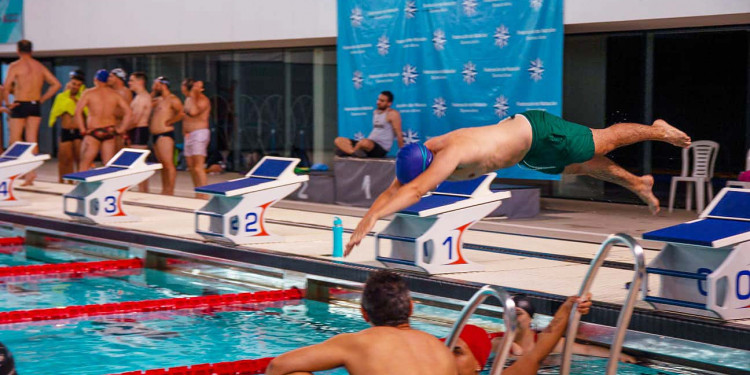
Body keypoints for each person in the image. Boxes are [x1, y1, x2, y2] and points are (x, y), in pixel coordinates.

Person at [345, 111, 692, 254]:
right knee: (581, 167)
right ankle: (637, 183)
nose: (425, 182)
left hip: (536, 131)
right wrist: (367, 216)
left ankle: (656, 130)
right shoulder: (418, 157)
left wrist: (376, 218)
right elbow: (398, 188)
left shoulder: (448, 154)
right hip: (526, 153)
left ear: (429, 165)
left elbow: (417, 190)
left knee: (601, 142)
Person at [265, 270, 458, 375]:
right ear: (411, 308)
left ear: (364, 313)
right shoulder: (439, 348)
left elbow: (277, 366)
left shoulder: (359, 343)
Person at [451, 295, 593, 375]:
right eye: (446, 349)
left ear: (477, 365)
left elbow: (537, 354)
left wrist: (569, 307)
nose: (447, 357)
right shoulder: (498, 341)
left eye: (457, 352)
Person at [507, 295, 636, 363]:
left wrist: (618, 355)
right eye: (507, 314)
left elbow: (587, 350)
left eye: (517, 314)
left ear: (531, 318)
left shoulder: (547, 342)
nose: (511, 318)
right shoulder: (499, 342)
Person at [3, 39, 62, 185]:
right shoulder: (39, 67)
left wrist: (8, 103)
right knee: (32, 140)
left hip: (19, 104)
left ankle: (17, 171)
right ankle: (31, 172)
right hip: (34, 104)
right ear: (31, 50)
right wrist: (42, 99)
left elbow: (6, 86)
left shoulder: (15, 66)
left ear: (18, 50)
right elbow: (56, 84)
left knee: (14, 140)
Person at [74, 69, 132, 171]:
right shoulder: (115, 94)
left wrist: (82, 129)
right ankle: (109, 187)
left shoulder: (88, 93)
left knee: (85, 163)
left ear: (95, 79)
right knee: (108, 165)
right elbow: (129, 112)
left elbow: (78, 112)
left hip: (93, 131)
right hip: (109, 130)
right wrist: (121, 129)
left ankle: (83, 186)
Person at [334, 91, 403, 158]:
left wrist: (403, 154)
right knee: (338, 140)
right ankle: (353, 152)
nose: (378, 102)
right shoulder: (375, 112)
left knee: (364, 142)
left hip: (380, 148)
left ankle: (350, 152)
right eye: (378, 99)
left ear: (389, 103)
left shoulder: (393, 114)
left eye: (382, 101)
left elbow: (399, 134)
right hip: (368, 145)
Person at [49, 70, 86, 182]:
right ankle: (63, 181)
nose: (75, 87)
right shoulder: (61, 97)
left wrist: (75, 101)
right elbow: (56, 112)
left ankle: (79, 180)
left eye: (78, 85)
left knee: (80, 158)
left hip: (78, 131)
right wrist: (67, 101)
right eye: (74, 84)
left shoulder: (83, 98)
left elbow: (87, 113)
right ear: (70, 84)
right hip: (66, 130)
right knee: (65, 159)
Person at [150, 76, 183, 195]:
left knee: (168, 164)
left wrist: (171, 121)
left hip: (165, 134)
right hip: (156, 135)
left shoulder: (173, 99)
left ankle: (170, 190)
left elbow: (181, 113)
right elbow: (146, 104)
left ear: (163, 84)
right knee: (162, 165)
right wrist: (153, 91)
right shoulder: (158, 99)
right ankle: (165, 189)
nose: (154, 86)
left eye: (156, 84)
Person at [182, 78, 211, 197]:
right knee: (191, 166)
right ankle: (198, 193)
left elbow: (194, 112)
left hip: (199, 133)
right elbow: (186, 117)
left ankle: (205, 195)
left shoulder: (203, 99)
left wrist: (194, 93)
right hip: (189, 135)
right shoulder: (187, 99)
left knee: (198, 167)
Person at [127, 72, 152, 192]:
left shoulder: (143, 98)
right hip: (136, 131)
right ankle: (142, 189)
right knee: (137, 163)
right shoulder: (138, 97)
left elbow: (135, 120)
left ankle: (143, 190)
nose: (129, 83)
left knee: (139, 163)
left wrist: (121, 130)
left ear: (140, 82)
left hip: (139, 130)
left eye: (132, 80)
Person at [108, 68, 133, 152]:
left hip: (119, 131)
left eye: (111, 76)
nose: (108, 79)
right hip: (109, 129)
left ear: (118, 78)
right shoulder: (109, 91)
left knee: (118, 157)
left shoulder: (125, 92)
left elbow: (125, 113)